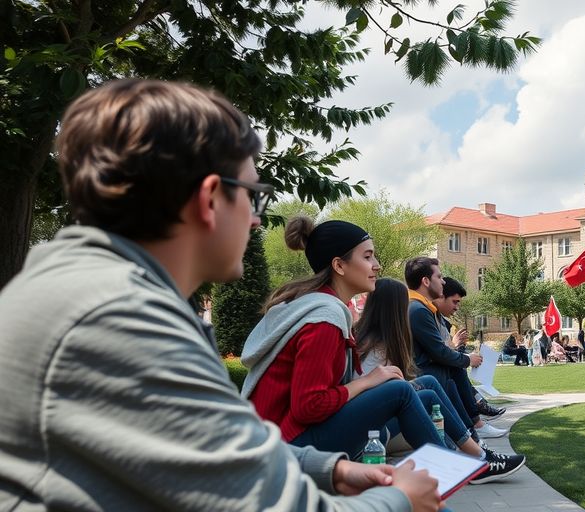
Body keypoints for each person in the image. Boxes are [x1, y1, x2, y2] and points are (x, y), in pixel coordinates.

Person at [0, 79, 438, 511]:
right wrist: (397, 499)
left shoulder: (96, 291)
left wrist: (331, 470)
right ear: (210, 198)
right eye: (252, 197)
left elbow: (222, 448)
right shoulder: (121, 319)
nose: (253, 221)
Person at [240, 217, 446, 463]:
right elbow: (308, 406)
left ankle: (458, 466)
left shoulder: (318, 306)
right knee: (399, 391)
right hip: (282, 446)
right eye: (367, 256)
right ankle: (448, 473)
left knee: (408, 402)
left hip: (278, 437)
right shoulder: (323, 320)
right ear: (339, 265)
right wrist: (368, 381)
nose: (376, 265)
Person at [355, 278, 525, 484]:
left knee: (430, 384)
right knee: (431, 384)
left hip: (376, 414)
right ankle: (474, 456)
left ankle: (475, 453)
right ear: (393, 309)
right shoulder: (378, 346)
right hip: (373, 430)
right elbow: (381, 392)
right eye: (402, 307)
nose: (405, 313)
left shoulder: (373, 338)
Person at [406, 262, 506, 440]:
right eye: (439, 277)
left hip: (423, 371)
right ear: (426, 281)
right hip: (419, 374)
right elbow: (439, 352)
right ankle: (472, 431)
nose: (443, 282)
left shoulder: (420, 308)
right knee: (453, 368)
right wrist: (467, 360)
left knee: (454, 370)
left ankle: (472, 429)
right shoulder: (417, 310)